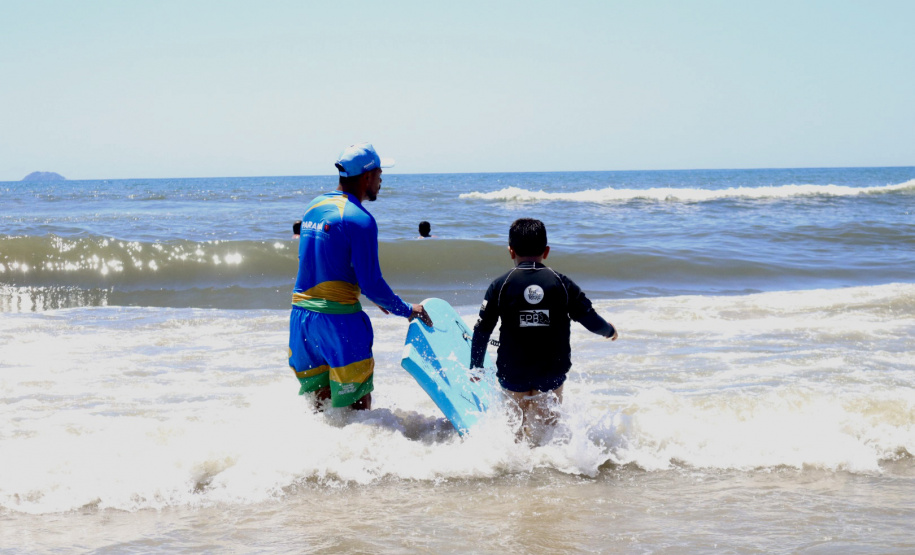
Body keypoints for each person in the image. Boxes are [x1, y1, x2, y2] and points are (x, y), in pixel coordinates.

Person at [289, 142, 432, 411]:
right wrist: (407, 309)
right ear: (367, 176)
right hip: (339, 322)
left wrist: (370, 293)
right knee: (358, 408)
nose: (381, 180)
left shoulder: (314, 206)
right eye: (379, 173)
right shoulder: (361, 219)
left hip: (302, 320)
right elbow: (372, 283)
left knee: (320, 408)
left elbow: (317, 261)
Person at [470, 218, 618, 439]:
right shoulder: (562, 283)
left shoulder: (500, 286)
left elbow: (482, 330)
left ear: (511, 251)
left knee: (513, 432)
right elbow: (590, 319)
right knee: (547, 433)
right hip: (551, 370)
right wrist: (608, 330)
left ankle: (513, 468)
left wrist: (476, 367)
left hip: (513, 371)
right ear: (546, 251)